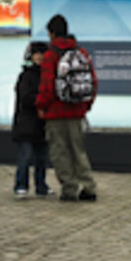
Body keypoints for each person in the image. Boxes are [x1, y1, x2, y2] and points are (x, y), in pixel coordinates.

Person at [37, 13, 98, 201]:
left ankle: (69, 189)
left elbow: (47, 86)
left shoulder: (51, 55)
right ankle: (89, 187)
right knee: (78, 151)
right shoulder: (81, 52)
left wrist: (40, 106)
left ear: (52, 33)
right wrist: (85, 105)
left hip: (56, 113)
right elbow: (93, 82)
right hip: (77, 112)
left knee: (60, 152)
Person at [12, 39, 51, 197]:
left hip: (43, 123)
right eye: (36, 54)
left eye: (42, 54)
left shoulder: (49, 75)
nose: (39, 57)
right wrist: (41, 101)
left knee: (42, 158)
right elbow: (25, 97)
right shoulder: (25, 76)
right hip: (26, 123)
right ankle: (21, 185)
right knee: (26, 157)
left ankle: (41, 186)